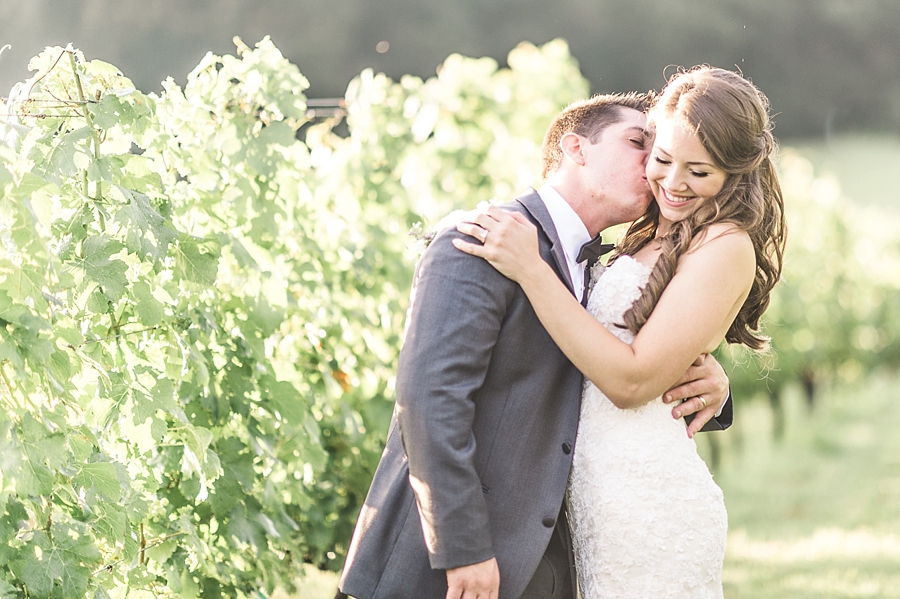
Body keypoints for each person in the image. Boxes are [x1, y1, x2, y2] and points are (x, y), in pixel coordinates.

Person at [336, 91, 734, 599]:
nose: (655, 164)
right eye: (640, 141)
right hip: (439, 564)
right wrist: (463, 548)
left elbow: (625, 355)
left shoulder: (607, 263)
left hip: (546, 561)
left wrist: (712, 386)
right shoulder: (480, 241)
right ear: (576, 148)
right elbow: (429, 402)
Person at [454, 66, 786, 598]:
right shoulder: (649, 226)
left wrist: (532, 270)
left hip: (647, 501)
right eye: (662, 160)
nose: (674, 183)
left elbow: (631, 384)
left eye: (699, 172)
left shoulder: (724, 244)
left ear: (734, 173)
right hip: (590, 498)